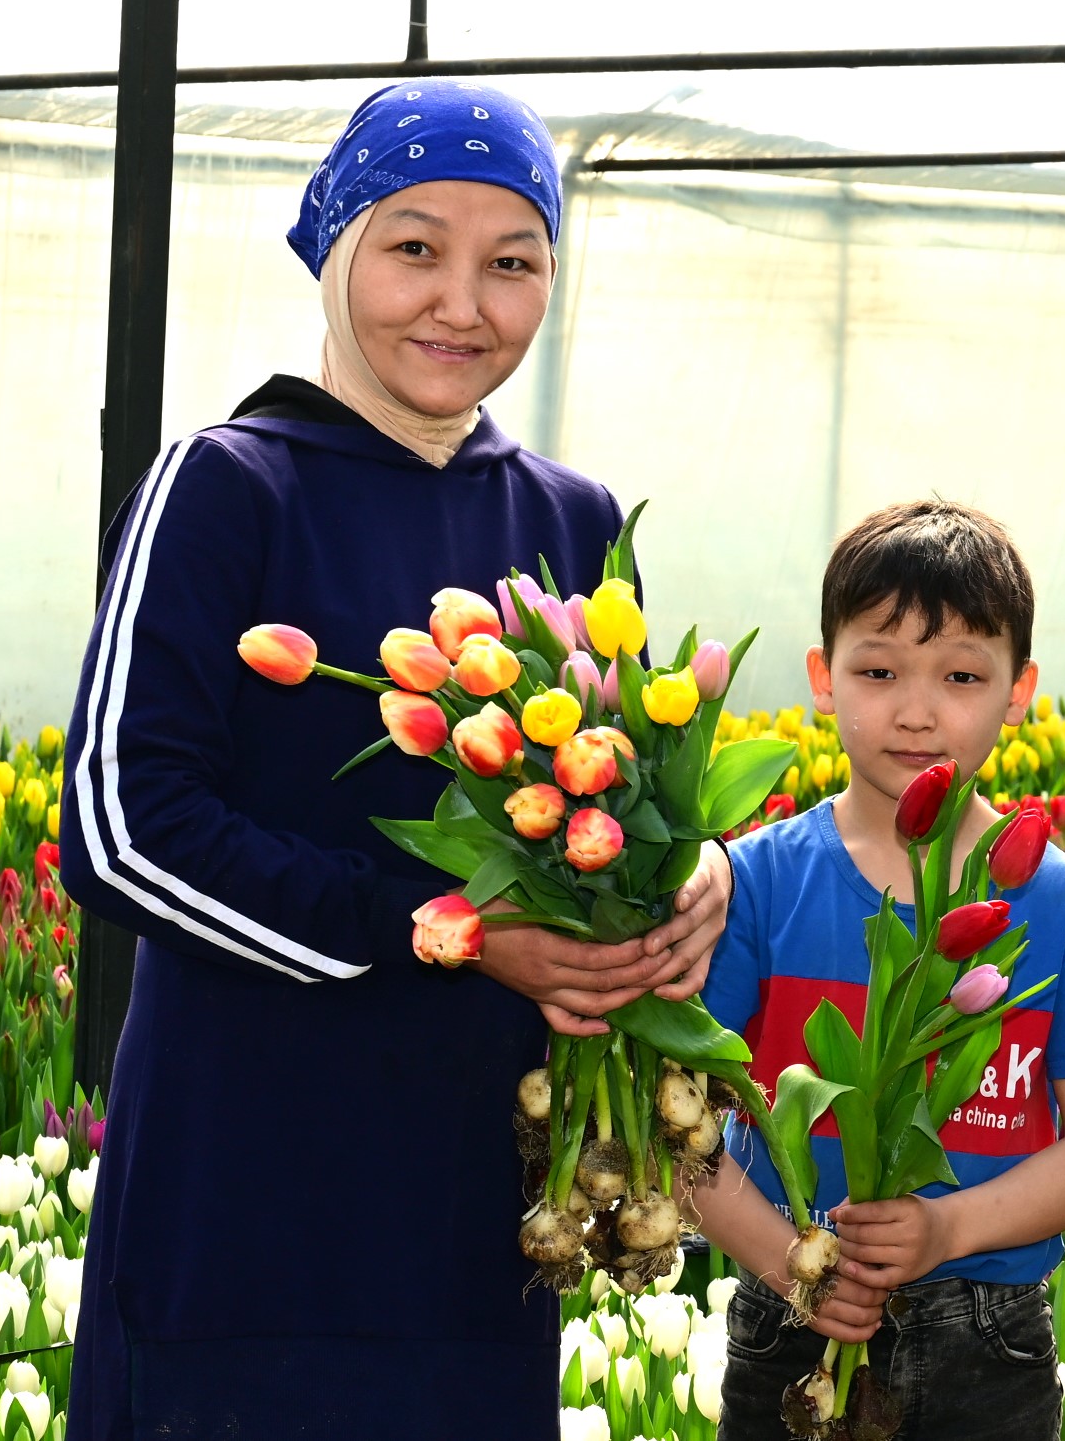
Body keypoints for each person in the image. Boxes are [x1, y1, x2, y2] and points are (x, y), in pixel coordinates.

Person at [57, 82, 731, 1439]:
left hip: (478, 1210)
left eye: (513, 261)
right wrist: (441, 934)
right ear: (335, 246)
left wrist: (692, 867)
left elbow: (625, 780)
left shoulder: (570, 517)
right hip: (253, 1192)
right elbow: (124, 826)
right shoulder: (229, 483)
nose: (461, 304)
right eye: (414, 247)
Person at [687, 501, 1065, 1441]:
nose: (916, 709)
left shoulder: (1062, 909)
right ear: (824, 678)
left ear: (1019, 691)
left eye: (962, 675)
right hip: (788, 1327)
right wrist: (791, 1263)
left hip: (986, 1332)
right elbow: (679, 1119)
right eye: (879, 669)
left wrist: (950, 1227)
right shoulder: (760, 885)